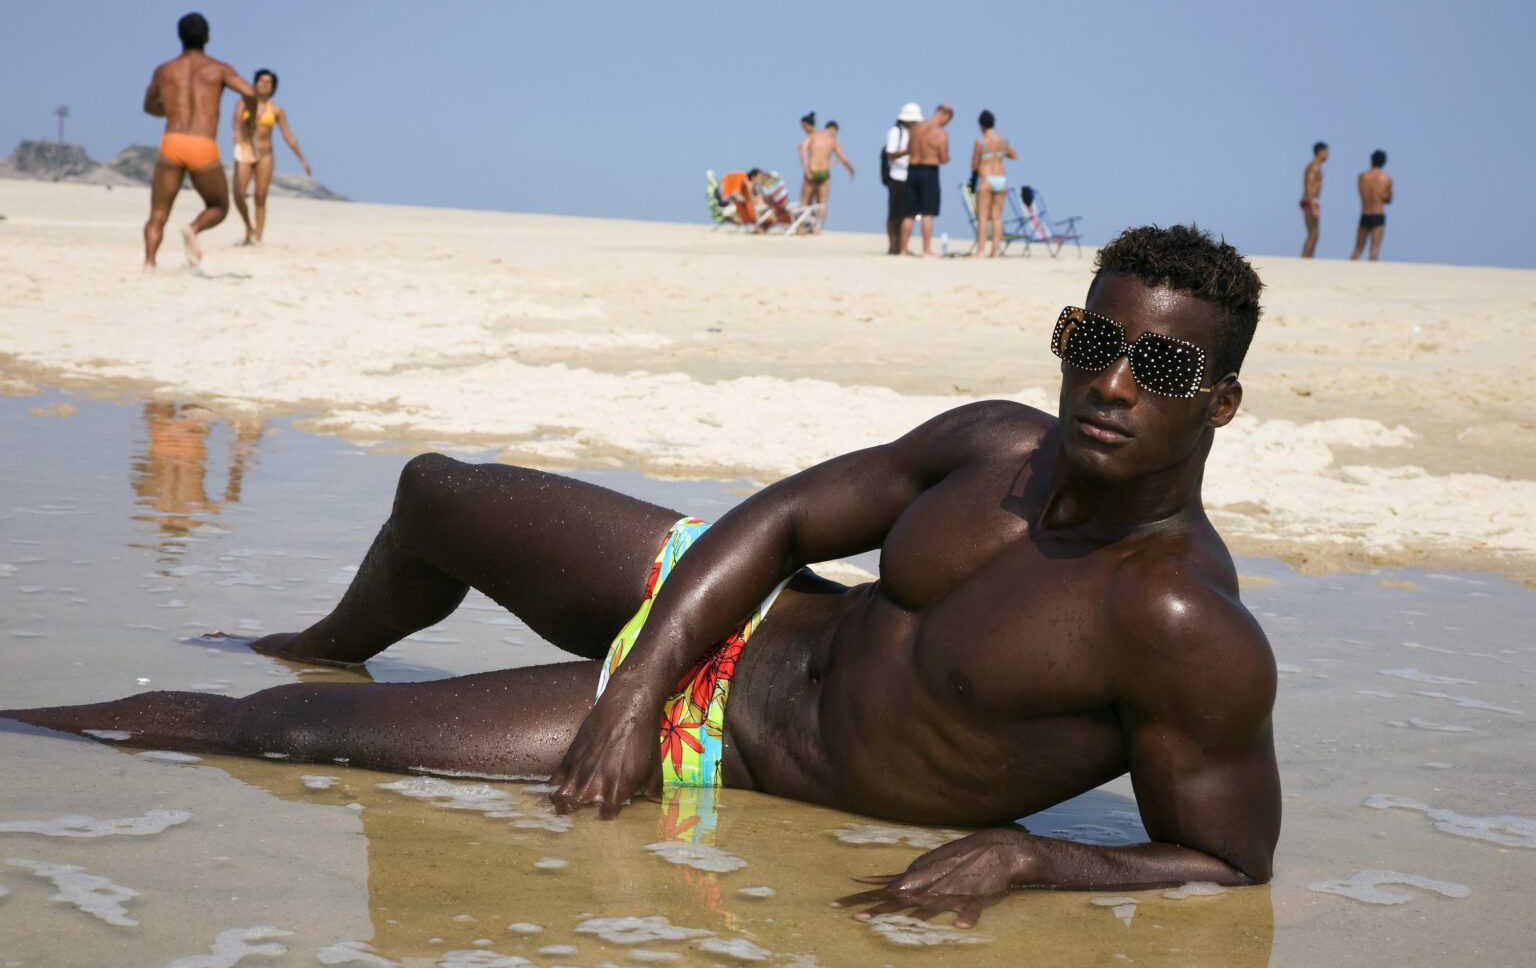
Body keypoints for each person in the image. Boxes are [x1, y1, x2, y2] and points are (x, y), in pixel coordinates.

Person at [3, 224, 1280, 928]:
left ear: (1218, 404)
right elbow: (781, 522)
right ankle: (329, 633)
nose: (1111, 380)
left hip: (721, 730)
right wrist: (629, 685)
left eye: (1158, 368)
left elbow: (1229, 861)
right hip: (737, 614)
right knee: (435, 490)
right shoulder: (999, 444)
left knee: (273, 737)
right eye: (1095, 340)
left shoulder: (1174, 616)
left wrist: (1026, 857)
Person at [141, 12, 258, 269]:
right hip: (202, 143)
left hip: (172, 140)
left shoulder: (164, 70)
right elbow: (250, 92)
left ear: (179, 37)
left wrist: (171, 112)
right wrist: (248, 119)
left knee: (158, 214)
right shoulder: (219, 69)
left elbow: (149, 106)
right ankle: (193, 228)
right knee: (218, 206)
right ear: (207, 37)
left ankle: (150, 263)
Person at [232, 69, 312, 245]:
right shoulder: (243, 103)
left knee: (260, 196)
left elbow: (288, 136)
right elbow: (236, 123)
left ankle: (258, 238)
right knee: (238, 193)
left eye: (269, 83)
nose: (264, 85)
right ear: (255, 83)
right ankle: (248, 227)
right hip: (245, 151)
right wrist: (236, 135)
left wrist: (302, 160)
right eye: (261, 81)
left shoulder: (276, 110)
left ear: (273, 88)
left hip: (265, 155)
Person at [897, 104, 953, 257]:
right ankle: (926, 250)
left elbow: (909, 149)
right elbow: (943, 157)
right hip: (929, 171)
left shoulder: (916, 128)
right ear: (945, 115)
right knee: (928, 213)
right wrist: (946, 158)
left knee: (909, 213)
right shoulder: (941, 133)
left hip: (913, 169)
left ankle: (903, 249)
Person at [970, 110, 1018, 259]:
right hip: (1001, 179)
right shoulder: (1003, 140)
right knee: (997, 217)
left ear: (981, 125)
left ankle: (980, 251)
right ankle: (995, 251)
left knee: (983, 216)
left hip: (986, 178)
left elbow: (974, 165)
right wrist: (1000, 154)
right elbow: (1014, 155)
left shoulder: (981, 141)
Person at [798, 120, 854, 232]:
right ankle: (817, 227)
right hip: (824, 173)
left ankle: (802, 226)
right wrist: (851, 170)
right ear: (834, 129)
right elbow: (842, 157)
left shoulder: (813, 136)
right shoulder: (833, 140)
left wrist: (805, 168)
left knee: (805, 200)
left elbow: (803, 150)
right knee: (822, 203)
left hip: (811, 171)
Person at [883, 103, 921, 255]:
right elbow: (890, 154)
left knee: (908, 214)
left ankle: (902, 245)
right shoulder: (895, 132)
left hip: (911, 176)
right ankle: (893, 244)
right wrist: (908, 151)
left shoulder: (915, 133)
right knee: (894, 213)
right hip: (896, 177)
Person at [1350, 150, 1393, 261]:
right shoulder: (1386, 178)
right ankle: (1371, 274)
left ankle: (1348, 271)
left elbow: (1361, 193)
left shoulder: (1362, 176)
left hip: (1365, 213)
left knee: (1358, 249)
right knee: (1374, 249)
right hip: (1378, 214)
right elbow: (1388, 199)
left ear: (1371, 161)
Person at [1300, 141, 1328, 258]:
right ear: (1320, 152)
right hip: (1310, 200)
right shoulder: (1314, 167)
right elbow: (1308, 186)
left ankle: (1308, 258)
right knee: (1313, 234)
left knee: (1314, 234)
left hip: (1311, 200)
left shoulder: (1316, 166)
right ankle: (1305, 259)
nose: (1328, 155)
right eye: (1326, 152)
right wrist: (1313, 206)